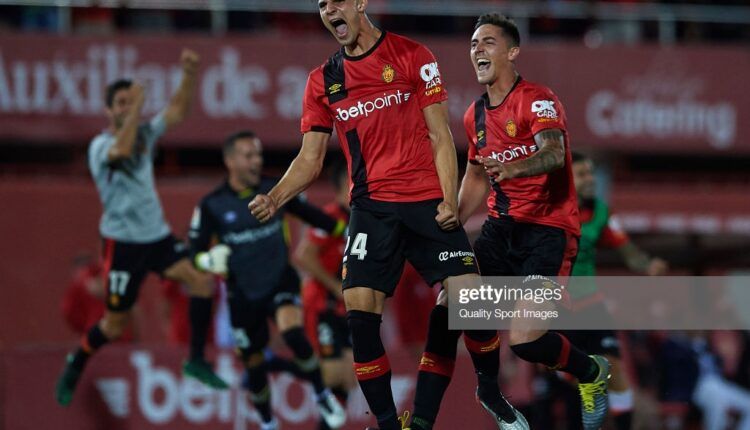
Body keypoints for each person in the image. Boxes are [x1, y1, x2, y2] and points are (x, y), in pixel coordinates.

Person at [249, 2, 528, 429]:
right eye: (322, 5)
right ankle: (386, 422)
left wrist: (450, 201)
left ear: (360, 3)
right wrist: (276, 197)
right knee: (359, 314)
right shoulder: (323, 81)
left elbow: (439, 135)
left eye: (336, 1)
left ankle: (489, 389)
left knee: (472, 303)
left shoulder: (412, 56)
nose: (329, 10)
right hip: (370, 208)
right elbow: (311, 159)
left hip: (425, 201)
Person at [456, 14, 610, 430]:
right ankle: (488, 392)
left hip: (548, 231)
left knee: (526, 341)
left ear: (512, 51)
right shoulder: (474, 117)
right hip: (500, 227)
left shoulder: (538, 98)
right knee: (453, 303)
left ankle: (591, 372)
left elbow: (554, 154)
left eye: (488, 42)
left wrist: (515, 169)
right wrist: (451, 220)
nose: (478, 50)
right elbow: (473, 174)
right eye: (473, 43)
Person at [55, 49, 226, 407]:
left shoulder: (144, 133)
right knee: (114, 325)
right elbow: (121, 149)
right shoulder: (100, 147)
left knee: (200, 281)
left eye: (127, 102)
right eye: (119, 103)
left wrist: (190, 75)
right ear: (108, 110)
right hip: (123, 245)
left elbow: (176, 112)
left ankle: (195, 360)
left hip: (157, 238)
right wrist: (137, 105)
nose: (125, 107)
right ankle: (78, 360)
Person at [189, 130, 347, 430]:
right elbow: (194, 251)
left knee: (292, 331)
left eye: (258, 155)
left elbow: (312, 216)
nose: (256, 161)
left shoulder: (273, 191)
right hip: (242, 294)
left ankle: (321, 393)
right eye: (248, 155)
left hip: (279, 280)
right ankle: (267, 421)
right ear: (230, 160)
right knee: (254, 365)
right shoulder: (212, 205)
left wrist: (346, 230)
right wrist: (207, 260)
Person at [562, 151, 669, 429]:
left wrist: (647, 265)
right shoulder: (552, 209)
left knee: (615, 370)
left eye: (591, 173)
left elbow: (628, 251)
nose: (591, 179)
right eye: (583, 174)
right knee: (571, 377)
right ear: (568, 178)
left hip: (591, 305)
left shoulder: (601, 213)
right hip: (557, 307)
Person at [294, 160, 356, 430]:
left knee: (348, 378)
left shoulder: (362, 221)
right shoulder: (331, 217)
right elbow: (303, 256)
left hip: (345, 310)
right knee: (332, 374)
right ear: (346, 183)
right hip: (323, 305)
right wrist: (335, 288)